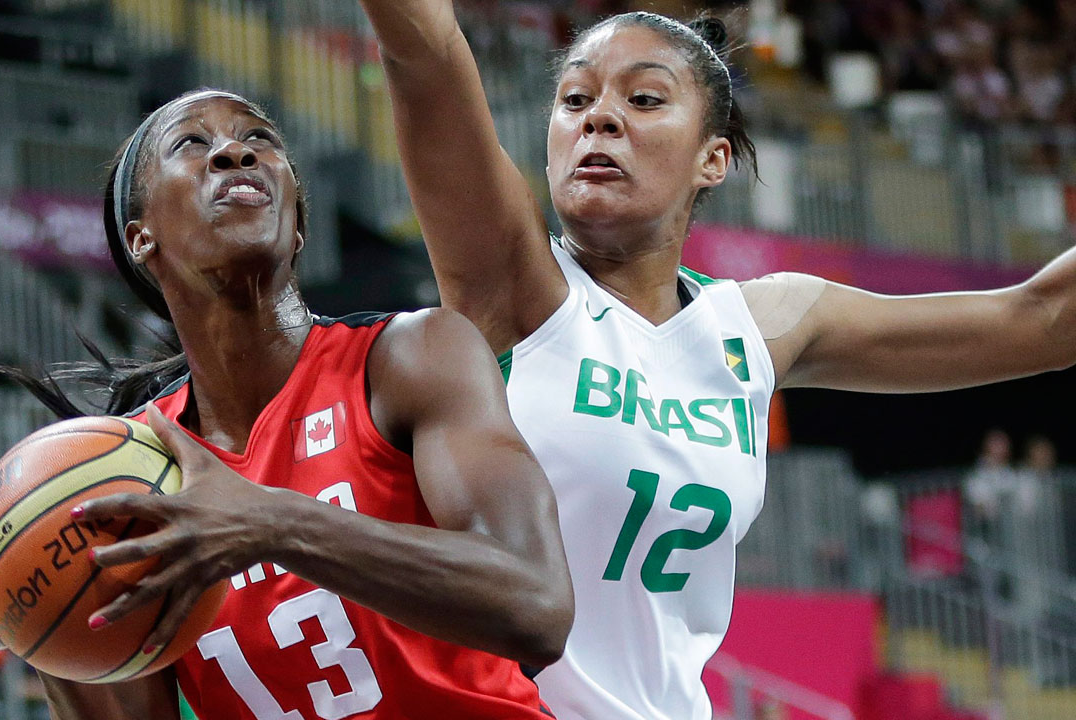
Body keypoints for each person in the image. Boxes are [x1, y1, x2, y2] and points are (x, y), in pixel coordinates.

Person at [353, 3, 1076, 718]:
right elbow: (425, 54)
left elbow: (1042, 321)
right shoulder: (512, 286)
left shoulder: (764, 325)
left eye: (643, 99)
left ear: (713, 159)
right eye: (575, 99)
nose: (598, 118)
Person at [0, 88, 573, 719]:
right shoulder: (133, 471)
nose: (234, 152)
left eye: (259, 139)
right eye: (192, 144)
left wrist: (273, 523)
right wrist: (42, 629)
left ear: (296, 225)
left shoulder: (410, 357)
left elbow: (536, 604)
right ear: (141, 239)